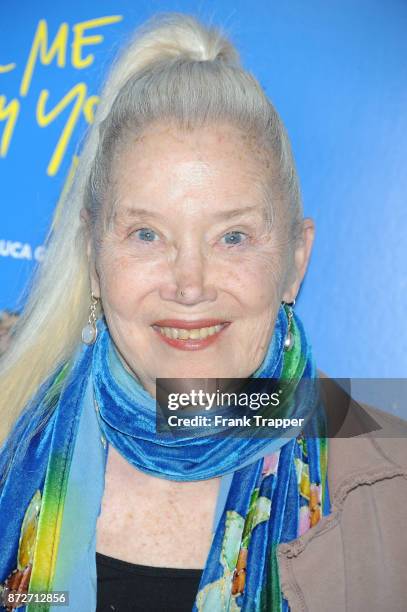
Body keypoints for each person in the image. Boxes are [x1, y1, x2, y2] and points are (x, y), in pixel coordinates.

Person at [0, 13, 406, 612]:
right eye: (146, 234)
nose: (189, 285)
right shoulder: (11, 439)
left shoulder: (393, 489)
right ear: (94, 260)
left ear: (295, 262)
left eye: (233, 237)